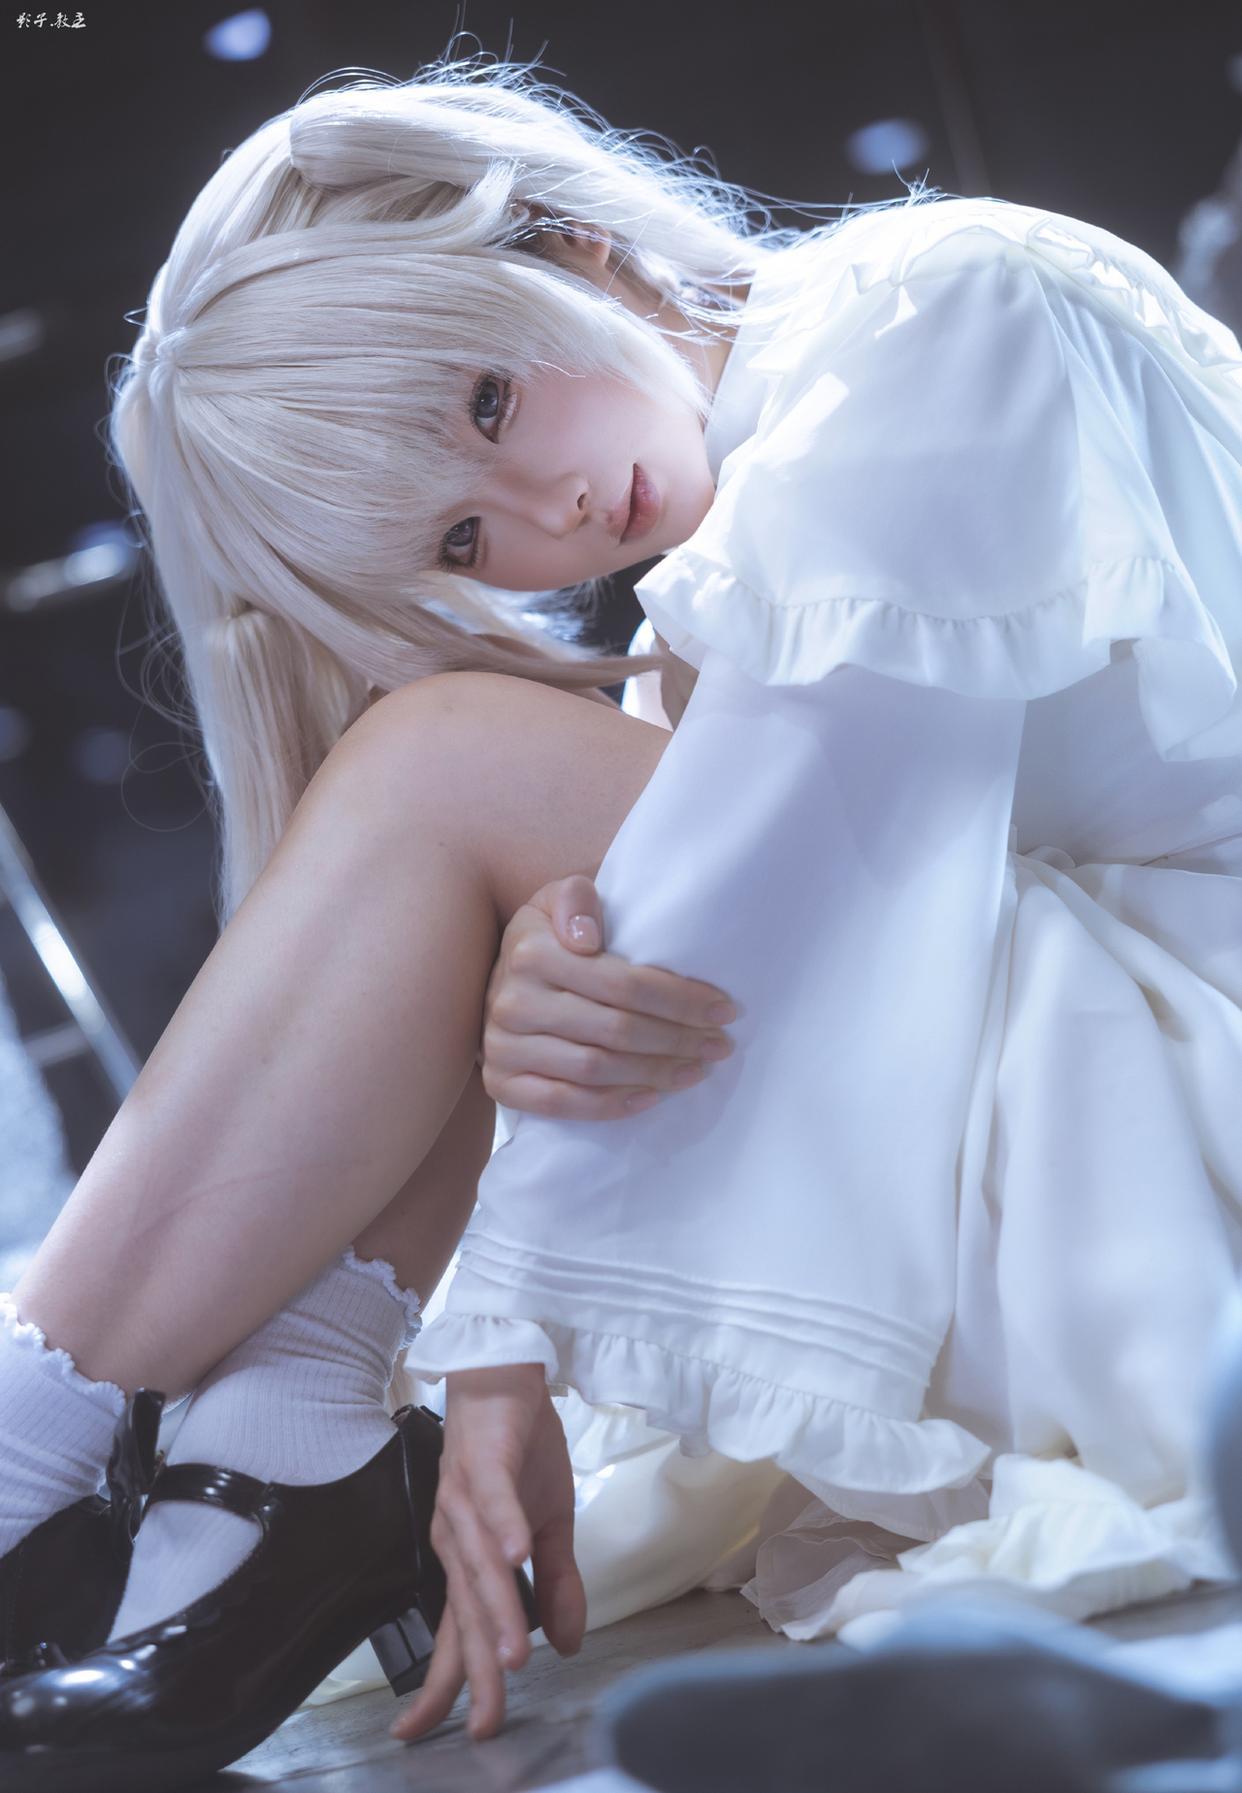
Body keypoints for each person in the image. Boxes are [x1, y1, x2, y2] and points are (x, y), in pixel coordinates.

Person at [1, 44, 1240, 1784]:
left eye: (486, 404)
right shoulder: (719, 563)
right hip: (1058, 1103)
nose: (547, 514)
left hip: (1177, 1110)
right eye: (458, 536)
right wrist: (546, 961)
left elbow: (791, 869)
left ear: (566, 242)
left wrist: (498, 1350)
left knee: (445, 761)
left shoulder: (942, 309)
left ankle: (105, 1462)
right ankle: (243, 1460)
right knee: (492, 814)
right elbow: (757, 904)